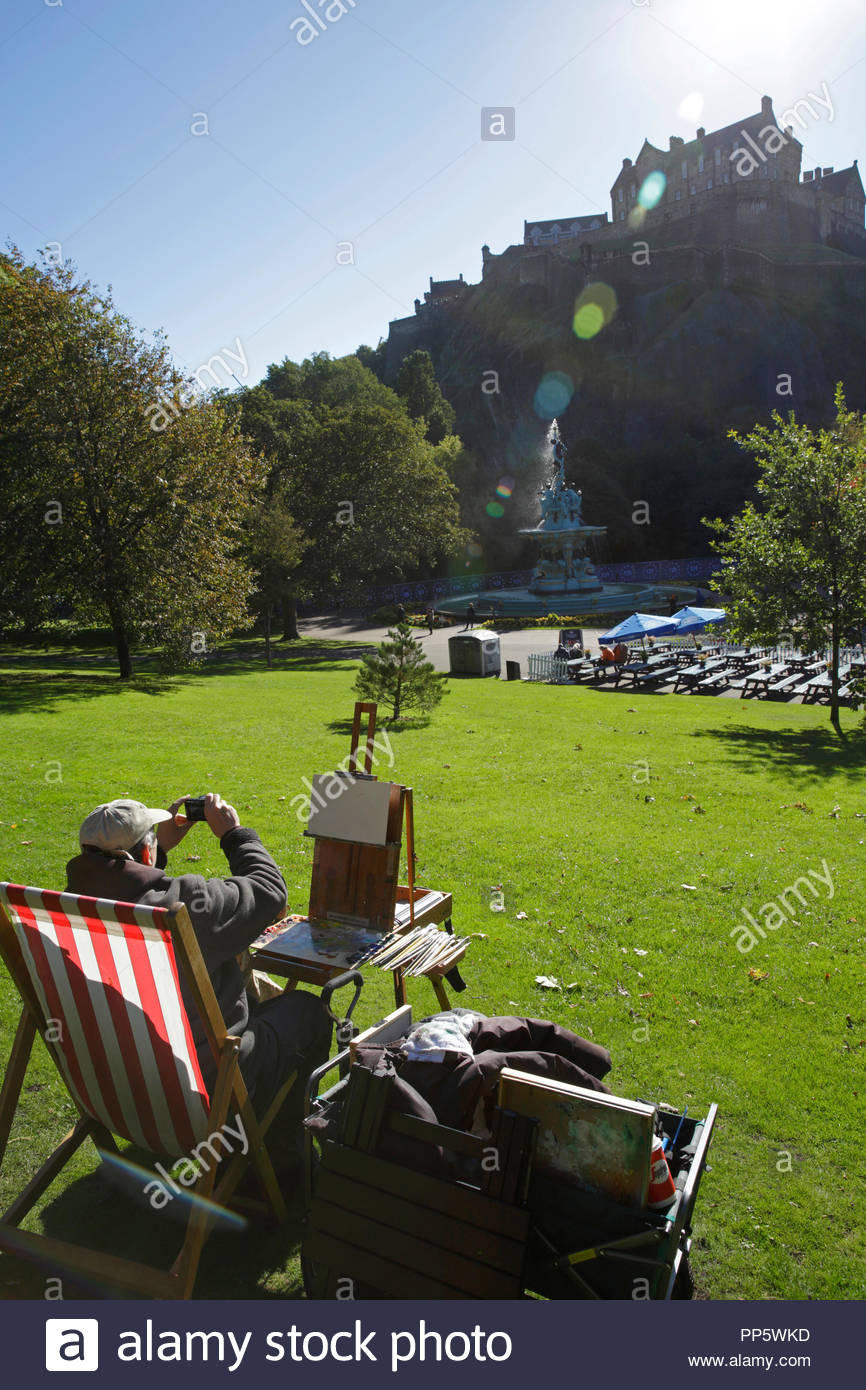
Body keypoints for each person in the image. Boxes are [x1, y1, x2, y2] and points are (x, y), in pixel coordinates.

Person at [65, 795, 332, 1167]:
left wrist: (157, 852)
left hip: (116, 1087)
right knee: (309, 1012)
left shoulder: (62, 915)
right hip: (204, 1089)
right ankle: (281, 1158)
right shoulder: (183, 907)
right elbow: (270, 894)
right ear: (143, 855)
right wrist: (234, 835)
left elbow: (120, 887)